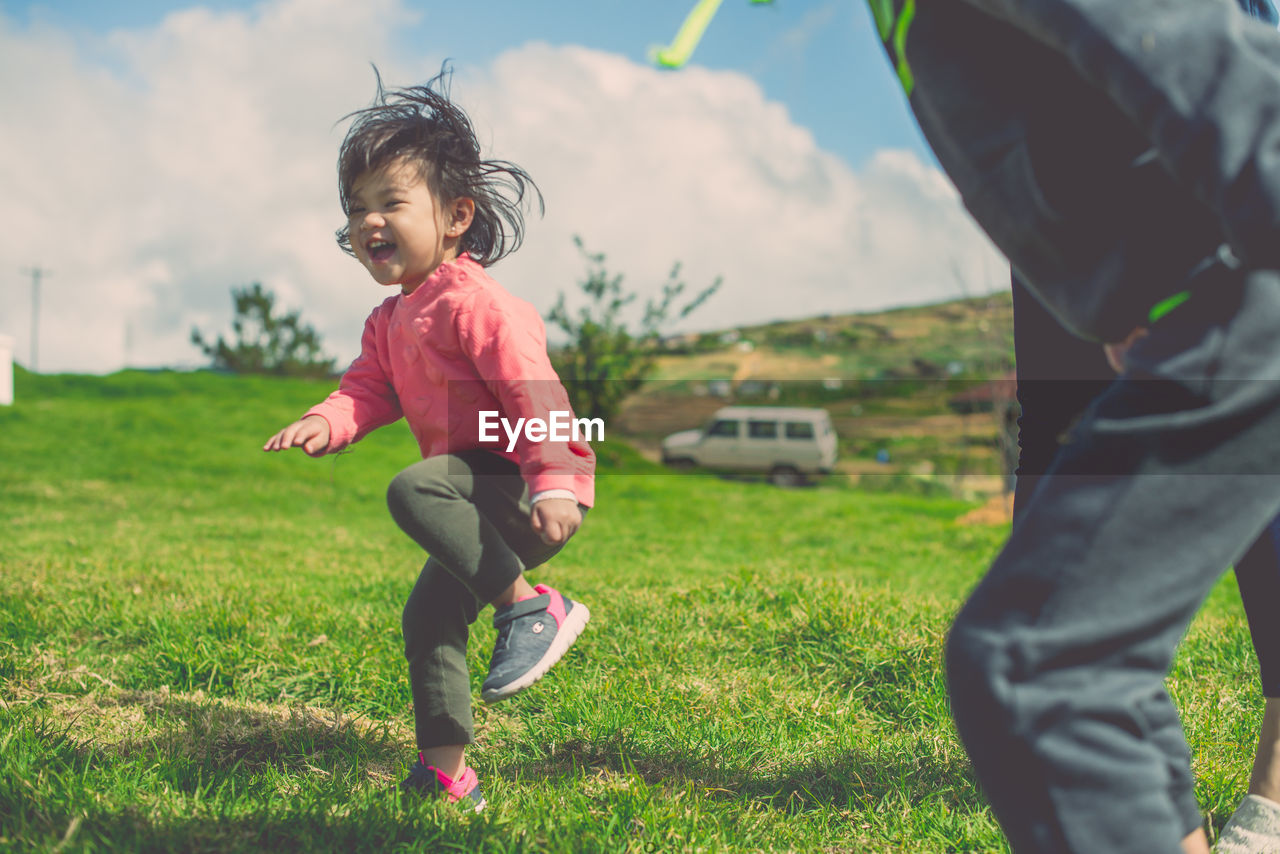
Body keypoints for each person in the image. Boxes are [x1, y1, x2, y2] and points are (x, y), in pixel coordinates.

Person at [866, 1, 1280, 851]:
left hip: (1247, 291)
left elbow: (1185, 40)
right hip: (1188, 302)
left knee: (1035, 665)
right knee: (1061, 666)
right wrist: (1127, 302)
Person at [263, 68, 595, 812]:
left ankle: (530, 608)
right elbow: (365, 390)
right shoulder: (388, 322)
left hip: (517, 484)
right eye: (357, 209)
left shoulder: (481, 307)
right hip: (470, 500)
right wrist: (328, 420)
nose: (369, 222)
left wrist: (557, 479)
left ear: (455, 216)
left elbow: (535, 392)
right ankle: (446, 777)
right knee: (429, 617)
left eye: (391, 202)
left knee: (414, 484)